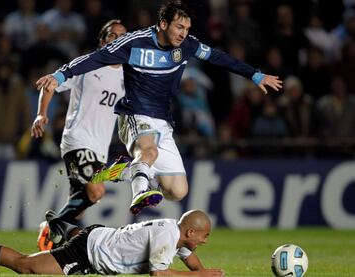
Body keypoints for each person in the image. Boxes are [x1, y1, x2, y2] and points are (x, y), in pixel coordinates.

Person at [36, 0, 283, 215]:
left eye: (187, 29)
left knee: (178, 190)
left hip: (163, 122)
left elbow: (218, 57)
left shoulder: (187, 46)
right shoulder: (133, 44)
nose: (183, 34)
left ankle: (123, 170)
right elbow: (93, 59)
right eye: (179, 27)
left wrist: (254, 75)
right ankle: (138, 193)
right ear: (163, 24)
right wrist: (60, 75)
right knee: (149, 152)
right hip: (134, 114)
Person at [31, 19, 128, 250]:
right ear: (102, 41)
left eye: (123, 35)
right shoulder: (87, 65)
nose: (118, 39)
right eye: (113, 35)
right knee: (96, 190)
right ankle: (51, 224)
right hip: (78, 138)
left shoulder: (129, 75)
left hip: (100, 148)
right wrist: (41, 114)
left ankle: (52, 250)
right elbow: (51, 83)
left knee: (79, 204)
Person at [0, 209, 225, 276]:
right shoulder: (167, 238)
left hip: (98, 233)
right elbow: (159, 274)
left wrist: (204, 272)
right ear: (190, 233)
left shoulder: (176, 233)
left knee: (77, 233)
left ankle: (57, 224)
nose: (206, 241)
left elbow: (192, 261)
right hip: (89, 252)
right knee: (26, 266)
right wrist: (204, 276)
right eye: (205, 236)